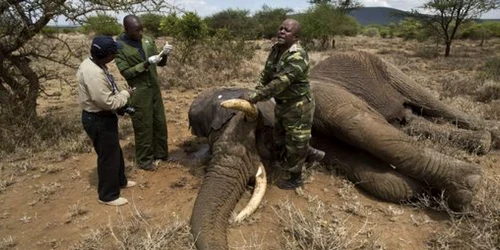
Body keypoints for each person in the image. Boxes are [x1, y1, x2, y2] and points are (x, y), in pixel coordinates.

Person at [243, 19, 325, 190]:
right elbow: (266, 73)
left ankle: (296, 178)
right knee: (280, 137)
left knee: (295, 141)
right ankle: (312, 154)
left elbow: (280, 82)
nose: (281, 32)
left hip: (298, 106)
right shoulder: (276, 49)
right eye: (280, 28)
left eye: (287, 30)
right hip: (281, 103)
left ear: (296, 37)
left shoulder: (298, 55)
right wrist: (258, 88)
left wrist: (257, 96)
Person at [77, 35, 136, 206]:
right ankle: (107, 195)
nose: (115, 56)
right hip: (98, 119)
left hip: (103, 118)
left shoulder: (95, 64)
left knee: (114, 151)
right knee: (107, 157)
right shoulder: (93, 73)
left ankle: (120, 181)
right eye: (114, 53)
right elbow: (107, 102)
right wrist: (126, 94)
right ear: (108, 55)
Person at [115, 15, 174, 171]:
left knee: (159, 122)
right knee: (143, 125)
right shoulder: (120, 47)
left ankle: (161, 154)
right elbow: (126, 72)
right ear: (126, 29)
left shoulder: (147, 40)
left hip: (154, 87)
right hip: (139, 91)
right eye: (136, 30)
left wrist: (165, 54)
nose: (140, 32)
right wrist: (146, 63)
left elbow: (160, 62)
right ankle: (145, 160)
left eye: (141, 28)